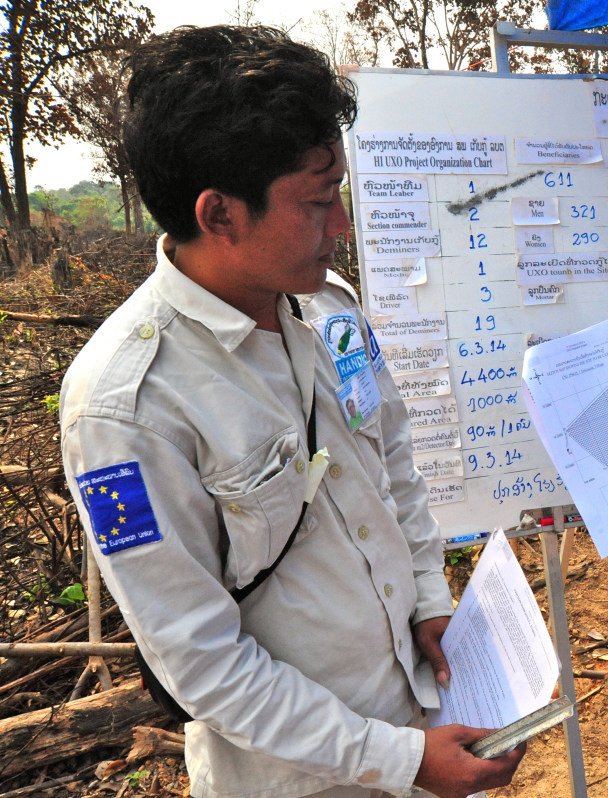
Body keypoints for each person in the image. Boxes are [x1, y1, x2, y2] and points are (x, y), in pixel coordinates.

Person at [60, 26, 523, 798]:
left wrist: (428, 601)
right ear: (219, 214)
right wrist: (400, 761)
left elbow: (392, 465)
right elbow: (201, 662)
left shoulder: (328, 310)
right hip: (307, 776)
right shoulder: (126, 411)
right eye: (318, 200)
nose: (341, 226)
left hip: (423, 713)